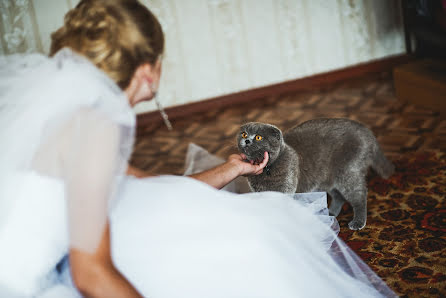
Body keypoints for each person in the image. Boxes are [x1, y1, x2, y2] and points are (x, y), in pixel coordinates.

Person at [0, 0, 395, 297]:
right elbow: (91, 274)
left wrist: (232, 169)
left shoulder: (65, 112)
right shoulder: (94, 128)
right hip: (33, 281)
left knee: (245, 232)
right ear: (147, 72)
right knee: (255, 252)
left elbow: (149, 187)